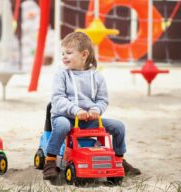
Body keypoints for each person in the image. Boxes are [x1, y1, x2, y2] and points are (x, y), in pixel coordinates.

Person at [43, 31, 141, 180]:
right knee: (62, 125)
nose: (64, 56)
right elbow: (58, 98)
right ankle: (50, 161)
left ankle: (119, 160)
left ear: (84, 54)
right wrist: (76, 110)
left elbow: (102, 100)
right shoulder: (61, 74)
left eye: (69, 53)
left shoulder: (96, 77)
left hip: (89, 120)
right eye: (63, 53)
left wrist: (96, 109)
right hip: (67, 117)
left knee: (119, 126)